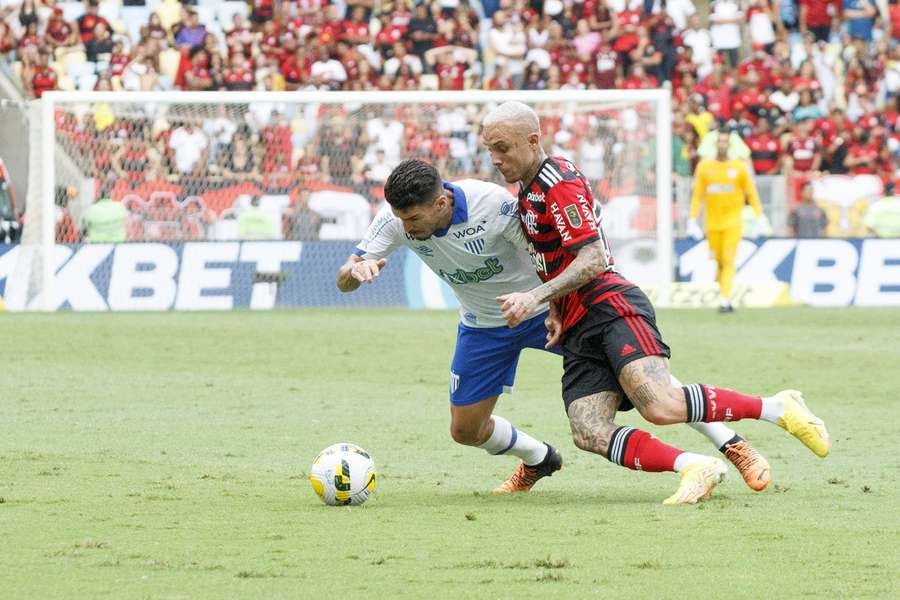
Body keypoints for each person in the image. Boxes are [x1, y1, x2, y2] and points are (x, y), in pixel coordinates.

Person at [337, 159, 773, 498]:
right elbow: (345, 277)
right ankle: (539, 459)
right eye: (401, 221)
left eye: (413, 221)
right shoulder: (395, 219)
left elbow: (544, 253)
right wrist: (358, 269)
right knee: (465, 431)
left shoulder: (493, 205)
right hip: (484, 325)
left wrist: (552, 303)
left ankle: (731, 443)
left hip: (546, 309)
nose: (406, 230)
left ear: (440, 203)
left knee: (643, 382)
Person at [480, 101, 829, 504]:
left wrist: (536, 297)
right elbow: (551, 254)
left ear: (532, 140)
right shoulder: (528, 189)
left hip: (608, 306)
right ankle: (696, 467)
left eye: (502, 148)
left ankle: (776, 407)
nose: (495, 159)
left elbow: (593, 257)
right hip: (576, 321)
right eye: (490, 149)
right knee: (588, 430)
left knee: (661, 404)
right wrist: (556, 309)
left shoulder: (558, 182)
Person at [689, 130, 766, 313]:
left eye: (725, 142)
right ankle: (725, 292)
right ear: (716, 144)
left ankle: (725, 299)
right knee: (718, 262)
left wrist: (759, 215)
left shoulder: (739, 167)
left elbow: (751, 192)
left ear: (729, 145)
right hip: (712, 223)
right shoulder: (705, 167)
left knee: (729, 260)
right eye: (720, 141)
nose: (722, 145)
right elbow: (697, 195)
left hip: (733, 222)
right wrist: (692, 220)